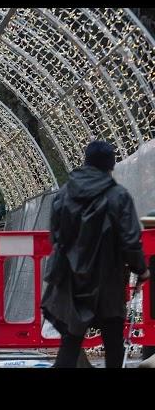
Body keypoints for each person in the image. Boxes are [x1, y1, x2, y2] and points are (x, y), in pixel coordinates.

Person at [41, 140, 150, 368]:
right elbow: (130, 240)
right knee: (113, 341)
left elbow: (56, 237)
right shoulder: (118, 196)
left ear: (86, 162)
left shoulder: (63, 194)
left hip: (70, 279)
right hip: (108, 280)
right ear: (110, 166)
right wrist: (141, 269)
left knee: (71, 340)